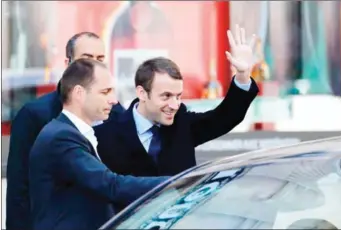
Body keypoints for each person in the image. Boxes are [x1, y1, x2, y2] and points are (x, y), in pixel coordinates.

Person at [94, 25, 258, 183]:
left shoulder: (182, 123)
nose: (174, 105)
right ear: (142, 93)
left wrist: (242, 76)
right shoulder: (106, 134)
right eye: (166, 96)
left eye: (178, 96)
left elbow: (225, 117)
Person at [28, 59, 168, 230]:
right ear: (79, 93)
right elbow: (110, 185)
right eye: (105, 92)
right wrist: (174, 183)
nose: (114, 100)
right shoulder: (61, 137)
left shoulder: (72, 132)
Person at [6, 31, 125, 230]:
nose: (94, 66)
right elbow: (20, 188)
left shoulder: (116, 112)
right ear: (68, 63)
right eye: (86, 59)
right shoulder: (34, 115)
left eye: (100, 60)